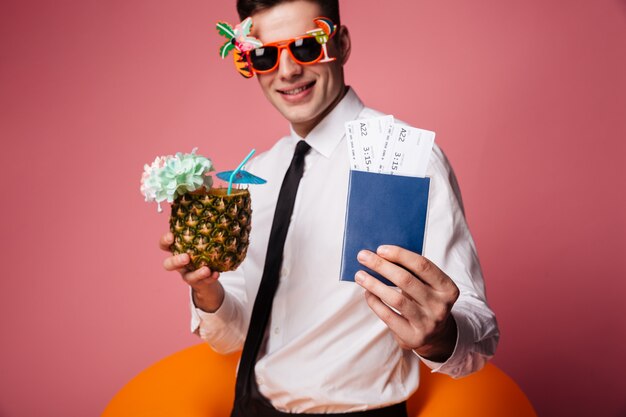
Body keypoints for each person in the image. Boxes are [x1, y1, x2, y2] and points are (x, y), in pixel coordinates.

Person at [160, 0, 499, 415]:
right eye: (265, 55)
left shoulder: (405, 158)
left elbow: (479, 334)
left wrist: (440, 336)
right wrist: (207, 290)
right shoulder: (259, 175)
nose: (286, 71)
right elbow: (233, 337)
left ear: (341, 42)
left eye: (305, 47)